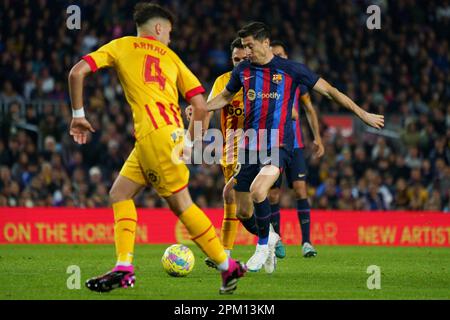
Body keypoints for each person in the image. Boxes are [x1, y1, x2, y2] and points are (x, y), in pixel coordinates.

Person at [67, 3, 246, 295]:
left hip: (154, 135)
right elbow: (200, 106)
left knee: (182, 205)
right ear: (160, 29)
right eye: (170, 33)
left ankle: (228, 265)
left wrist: (78, 115)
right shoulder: (172, 58)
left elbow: (77, 73)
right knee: (120, 193)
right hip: (164, 136)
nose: (170, 39)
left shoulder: (121, 45)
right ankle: (124, 267)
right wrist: (189, 142)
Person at [205, 22, 384, 273]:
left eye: (250, 46)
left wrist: (362, 113)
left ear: (266, 43)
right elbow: (224, 97)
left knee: (259, 191)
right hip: (250, 146)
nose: (246, 52)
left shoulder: (290, 70)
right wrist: (201, 107)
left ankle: (262, 246)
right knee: (244, 211)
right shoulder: (243, 70)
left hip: (279, 143)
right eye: (243, 47)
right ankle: (273, 237)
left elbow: (330, 91)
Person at [268, 40, 324, 259]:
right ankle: (277, 239)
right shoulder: (268, 82)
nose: (279, 58)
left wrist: (317, 137)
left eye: (281, 54)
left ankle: (307, 242)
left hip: (297, 145)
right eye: (275, 55)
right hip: (274, 144)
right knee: (273, 194)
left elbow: (308, 109)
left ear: (287, 54)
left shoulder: (296, 80)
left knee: (300, 189)